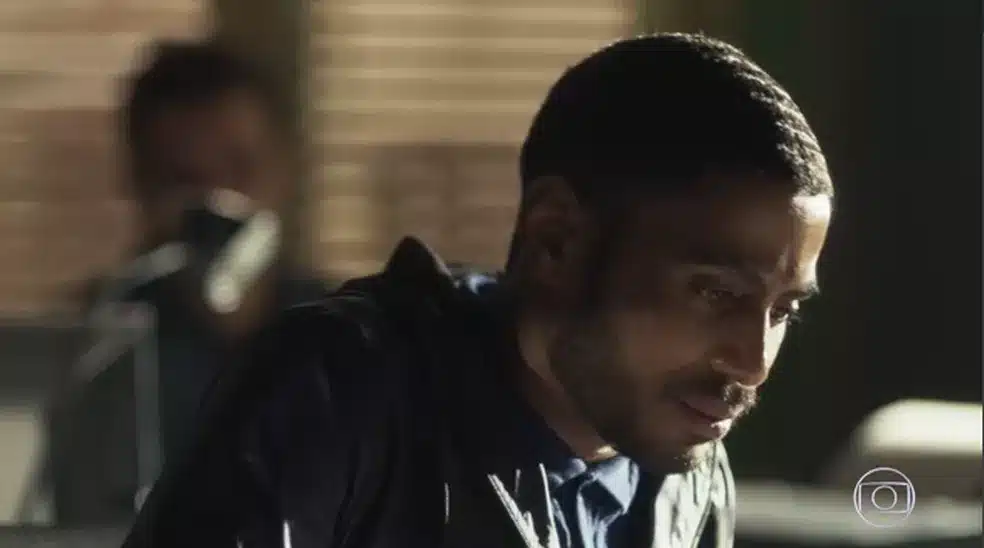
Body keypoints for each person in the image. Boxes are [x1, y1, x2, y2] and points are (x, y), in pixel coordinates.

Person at [124, 33, 834, 548]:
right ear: (556, 240)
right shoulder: (340, 396)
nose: (753, 362)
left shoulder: (686, 468)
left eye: (783, 309)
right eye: (715, 294)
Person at [86, 40, 330, 467]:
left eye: (241, 168)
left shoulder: (348, 337)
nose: (219, 203)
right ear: (139, 184)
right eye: (184, 179)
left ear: (284, 171)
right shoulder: (92, 348)